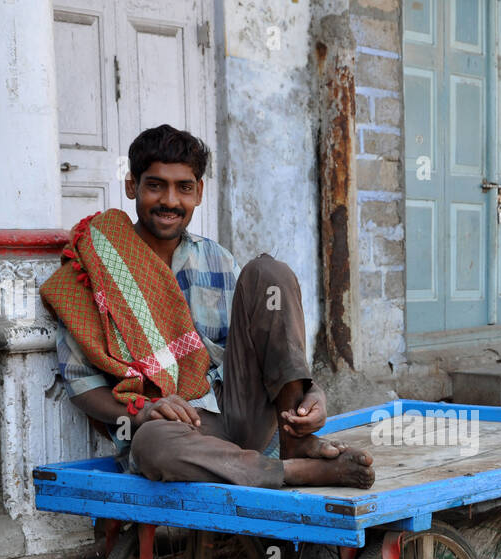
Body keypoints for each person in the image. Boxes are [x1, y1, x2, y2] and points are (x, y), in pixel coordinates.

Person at [41, 125, 374, 490]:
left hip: (241, 413)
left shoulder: (216, 259)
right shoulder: (97, 265)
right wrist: (141, 411)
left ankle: (294, 440)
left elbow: (265, 349)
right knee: (151, 444)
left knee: (269, 273)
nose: (170, 201)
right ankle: (292, 472)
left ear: (198, 192)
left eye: (184, 187)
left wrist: (310, 394)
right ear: (131, 186)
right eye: (155, 185)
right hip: (180, 429)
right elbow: (81, 383)